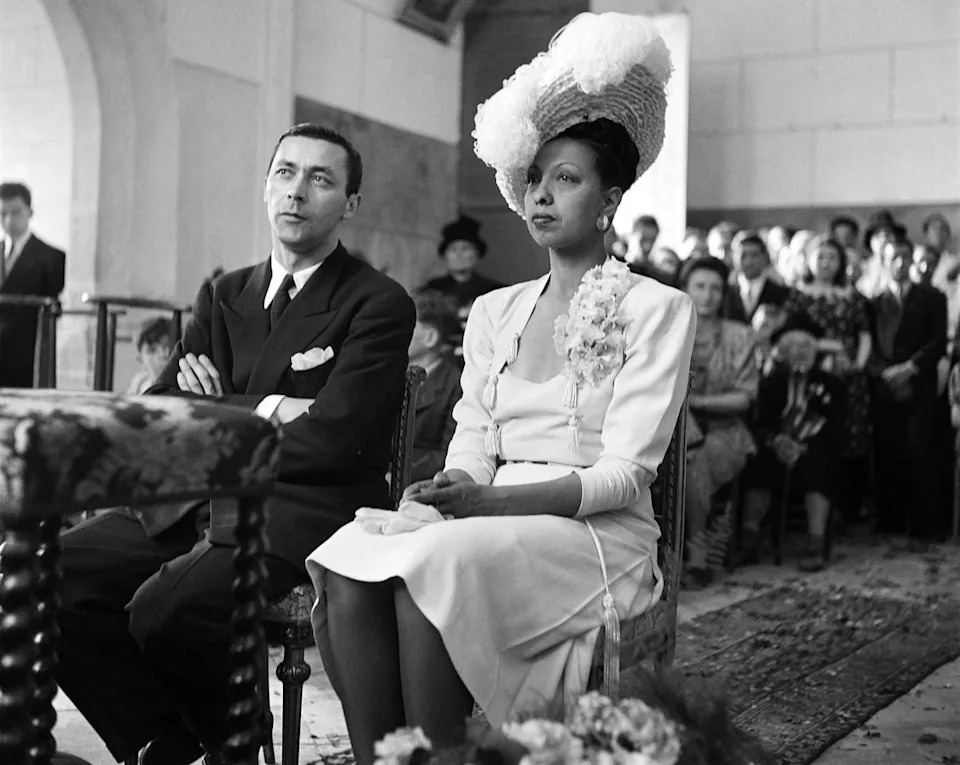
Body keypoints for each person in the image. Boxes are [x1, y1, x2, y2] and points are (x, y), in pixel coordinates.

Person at [304, 14, 695, 764]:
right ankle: (387, 758)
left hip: (596, 534)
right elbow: (476, 440)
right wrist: (455, 483)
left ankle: (442, 758)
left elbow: (625, 476)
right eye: (535, 179)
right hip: (491, 512)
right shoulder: (496, 309)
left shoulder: (657, 307)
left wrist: (488, 505)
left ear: (610, 199)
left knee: (438, 567)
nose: (542, 196)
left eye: (567, 179)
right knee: (350, 557)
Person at [55, 123, 416, 765]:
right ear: (266, 185)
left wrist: (214, 405)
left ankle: (236, 748)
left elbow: (331, 440)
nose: (297, 191)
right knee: (53, 575)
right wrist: (271, 406)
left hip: (303, 505)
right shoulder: (223, 296)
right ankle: (159, 741)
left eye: (320, 178)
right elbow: (161, 413)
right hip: (196, 496)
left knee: (166, 610)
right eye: (284, 172)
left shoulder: (377, 302)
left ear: (350, 205)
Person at [738, 313, 845, 571]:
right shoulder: (771, 383)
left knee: (819, 465)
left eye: (807, 346)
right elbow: (760, 424)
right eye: (794, 346)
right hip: (776, 448)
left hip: (813, 450)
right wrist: (777, 441)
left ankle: (815, 542)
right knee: (758, 461)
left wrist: (804, 445)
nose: (800, 351)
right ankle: (749, 538)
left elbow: (837, 426)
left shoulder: (832, 384)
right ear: (783, 351)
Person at [680, 256, 758, 587]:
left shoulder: (740, 335)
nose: (708, 295)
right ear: (684, 289)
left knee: (696, 460)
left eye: (716, 288)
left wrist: (697, 402)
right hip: (675, 429)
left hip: (726, 430)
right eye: (700, 286)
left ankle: (697, 553)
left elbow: (744, 397)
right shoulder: (670, 328)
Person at [784, 235, 873, 524]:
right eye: (820, 257)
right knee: (815, 436)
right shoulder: (798, 294)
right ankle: (810, 508)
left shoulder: (853, 296)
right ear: (809, 260)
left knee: (851, 437)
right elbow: (792, 337)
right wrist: (829, 349)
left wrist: (857, 364)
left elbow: (864, 333)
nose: (826, 263)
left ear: (841, 262)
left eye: (832, 257)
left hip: (849, 375)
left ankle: (848, 508)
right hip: (810, 373)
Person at [869, 237, 947, 539]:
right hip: (885, 386)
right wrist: (884, 373)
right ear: (885, 263)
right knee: (888, 452)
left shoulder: (932, 297)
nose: (900, 263)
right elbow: (870, 344)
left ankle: (923, 523)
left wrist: (909, 368)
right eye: (894, 258)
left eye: (905, 257)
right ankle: (891, 519)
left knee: (920, 451)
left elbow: (937, 341)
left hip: (919, 384)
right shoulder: (875, 302)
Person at [0, 181, 66, 387]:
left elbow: (53, 308)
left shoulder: (52, 257)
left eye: (16, 212)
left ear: (30, 212)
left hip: (27, 355)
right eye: (3, 213)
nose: (9, 220)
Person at [421, 214, 503, 361]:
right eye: (453, 249)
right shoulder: (430, 292)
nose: (458, 255)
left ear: (477, 254)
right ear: (445, 255)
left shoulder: (495, 292)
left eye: (465, 249)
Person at [407, 291, 462, 482]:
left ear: (430, 337)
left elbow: (449, 452)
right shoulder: (387, 375)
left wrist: (399, 475)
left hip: (417, 483)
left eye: (407, 325)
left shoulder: (456, 385)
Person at [723, 233, 791, 324]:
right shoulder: (725, 291)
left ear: (764, 257)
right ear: (734, 256)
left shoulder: (781, 293)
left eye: (754, 255)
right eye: (743, 255)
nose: (748, 262)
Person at [126, 316, 175, 394]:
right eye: (152, 350)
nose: (162, 355)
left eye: (168, 347)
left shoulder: (188, 384)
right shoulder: (139, 384)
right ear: (141, 360)